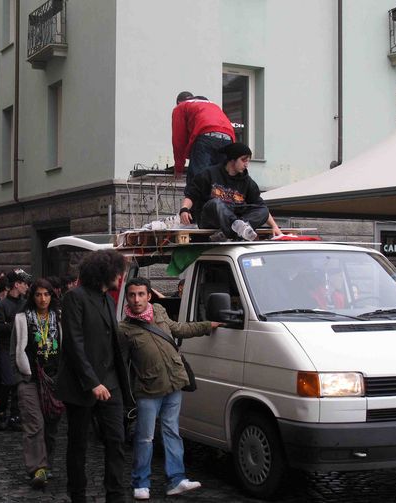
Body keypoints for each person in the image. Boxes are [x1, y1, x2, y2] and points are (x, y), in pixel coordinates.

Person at [120, 278, 222, 500]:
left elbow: (179, 329)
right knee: (145, 437)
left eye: (140, 294)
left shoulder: (159, 311)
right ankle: (141, 482)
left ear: (149, 296)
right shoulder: (124, 329)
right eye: (132, 295)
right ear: (127, 298)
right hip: (148, 389)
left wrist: (207, 326)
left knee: (172, 432)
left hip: (174, 383)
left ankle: (176, 480)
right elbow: (121, 365)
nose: (136, 299)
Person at [56, 250, 131, 503]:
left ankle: (116, 495)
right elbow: (74, 345)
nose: (121, 278)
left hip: (111, 385)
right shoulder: (74, 298)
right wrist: (92, 382)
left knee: (116, 442)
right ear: (105, 272)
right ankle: (77, 495)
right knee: (78, 446)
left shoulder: (108, 300)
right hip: (81, 386)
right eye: (118, 272)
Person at [12, 278, 63, 489]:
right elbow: (15, 349)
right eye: (38, 294)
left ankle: (47, 464)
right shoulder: (22, 319)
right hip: (30, 378)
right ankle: (37, 468)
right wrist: (22, 374)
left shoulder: (59, 318)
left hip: (54, 378)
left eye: (46, 294)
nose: (43, 299)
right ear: (32, 297)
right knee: (34, 423)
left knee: (51, 424)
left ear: (52, 296)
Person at [180, 143, 282, 240]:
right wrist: (184, 209)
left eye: (248, 161)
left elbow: (260, 205)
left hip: (235, 218)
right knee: (216, 203)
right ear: (232, 160)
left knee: (263, 210)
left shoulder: (247, 182)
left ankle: (229, 232)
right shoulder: (209, 173)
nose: (246, 164)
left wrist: (274, 226)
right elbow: (192, 194)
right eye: (243, 160)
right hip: (210, 218)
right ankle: (235, 229)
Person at [0, 269, 31, 431]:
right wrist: (14, 325)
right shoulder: (2, 305)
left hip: (21, 348)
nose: (27, 287)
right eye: (24, 284)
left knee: (20, 383)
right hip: (6, 348)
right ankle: (1, 412)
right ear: (17, 284)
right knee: (8, 382)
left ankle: (15, 415)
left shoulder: (25, 303)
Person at [172, 91, 235, 187]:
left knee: (198, 182)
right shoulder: (212, 105)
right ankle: (218, 201)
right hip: (228, 139)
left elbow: (179, 140)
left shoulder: (181, 107)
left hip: (206, 137)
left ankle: (197, 201)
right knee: (221, 182)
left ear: (179, 102)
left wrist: (179, 168)